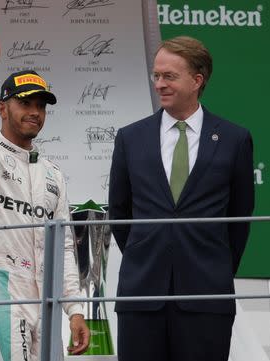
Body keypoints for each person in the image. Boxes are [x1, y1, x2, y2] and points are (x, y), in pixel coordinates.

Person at [108, 36, 254, 361]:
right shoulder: (130, 138)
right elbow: (120, 211)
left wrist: (213, 265)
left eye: (169, 76)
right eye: (156, 76)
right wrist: (148, 250)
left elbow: (240, 216)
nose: (160, 84)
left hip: (207, 294)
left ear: (197, 80)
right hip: (141, 294)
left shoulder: (234, 139)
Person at [0, 17, 89, 361]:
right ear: (3, 108)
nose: (35, 112)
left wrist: (75, 309)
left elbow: (64, 249)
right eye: (25, 103)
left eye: (41, 105)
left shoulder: (53, 175)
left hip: (43, 299)